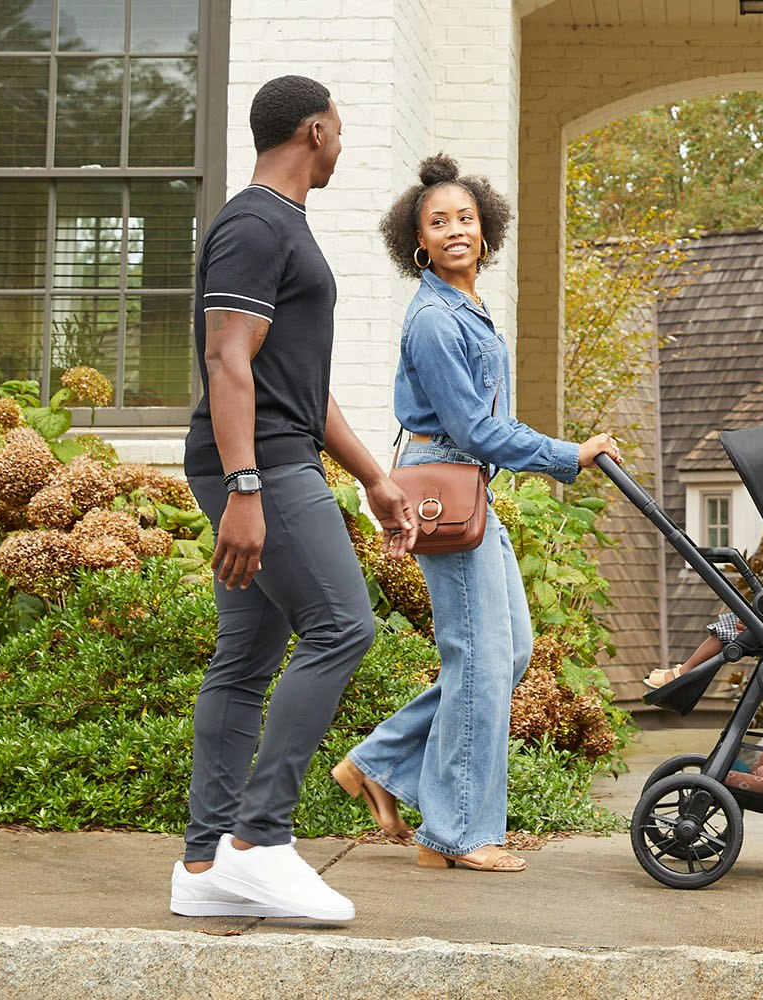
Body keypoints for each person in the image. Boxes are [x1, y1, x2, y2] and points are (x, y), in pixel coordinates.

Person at [168, 76, 416, 923]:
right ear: (316, 130)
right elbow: (227, 358)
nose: (342, 144)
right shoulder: (255, 223)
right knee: (343, 624)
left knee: (244, 659)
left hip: (275, 452)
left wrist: (373, 477)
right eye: (340, 130)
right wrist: (245, 488)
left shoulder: (281, 228)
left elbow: (297, 387)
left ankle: (204, 865)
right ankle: (258, 840)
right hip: (261, 465)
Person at [332, 153, 618, 874]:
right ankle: (455, 834)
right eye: (438, 222)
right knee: (479, 661)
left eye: (466, 217)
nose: (455, 230)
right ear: (418, 243)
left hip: (470, 492)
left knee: (509, 652)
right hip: (447, 494)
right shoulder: (433, 319)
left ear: (485, 230)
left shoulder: (471, 307)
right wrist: (565, 454)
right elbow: (475, 428)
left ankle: (378, 761)